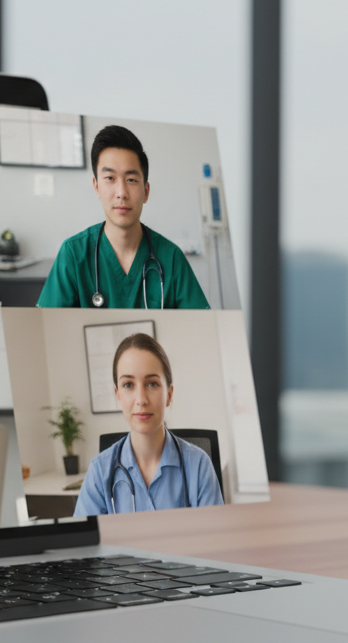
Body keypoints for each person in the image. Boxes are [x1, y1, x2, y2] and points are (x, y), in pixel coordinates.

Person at [36, 125, 210, 309]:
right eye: (110, 178)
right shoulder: (73, 254)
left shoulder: (171, 258)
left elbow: (201, 330)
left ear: (146, 191)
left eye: (131, 180)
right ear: (96, 187)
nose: (121, 193)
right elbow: (47, 330)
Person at [73, 332, 221, 514]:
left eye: (152, 384)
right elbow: (88, 541)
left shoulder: (198, 465)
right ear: (118, 395)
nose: (141, 399)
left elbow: (214, 539)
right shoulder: (99, 471)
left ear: (169, 395)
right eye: (128, 385)